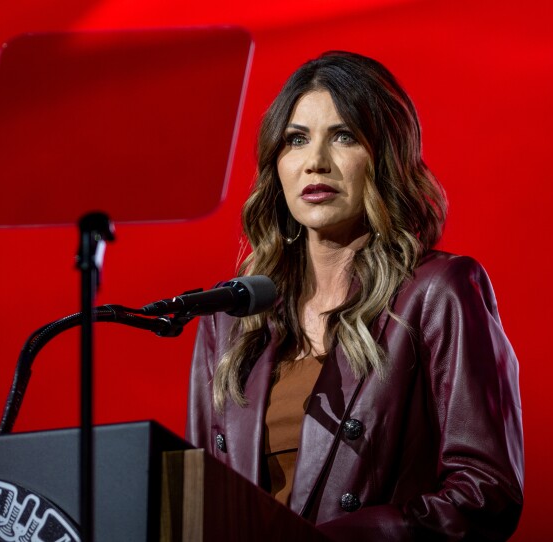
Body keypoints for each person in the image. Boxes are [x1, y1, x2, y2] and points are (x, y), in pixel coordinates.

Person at [186, 51, 524, 541]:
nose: (315, 162)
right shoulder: (229, 317)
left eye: (343, 137)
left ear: (384, 155)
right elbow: (197, 503)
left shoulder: (436, 293)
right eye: (296, 140)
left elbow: (486, 491)